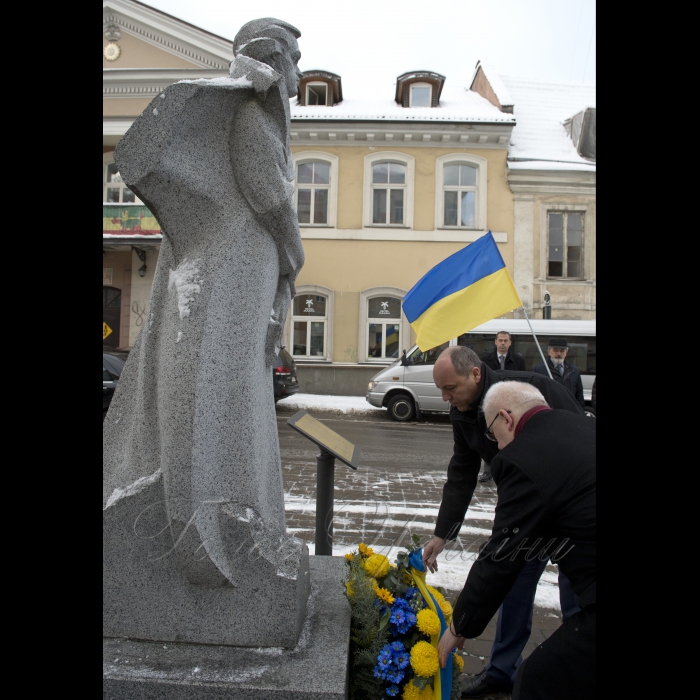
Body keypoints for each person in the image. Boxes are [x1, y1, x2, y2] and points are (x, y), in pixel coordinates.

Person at [424, 346, 584, 697]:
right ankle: (500, 671)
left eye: (450, 388)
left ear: (475, 374)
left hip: (571, 515)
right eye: (441, 390)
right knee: (511, 585)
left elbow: (580, 439)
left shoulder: (537, 389)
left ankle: (580, 662)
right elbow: (462, 472)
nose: (446, 398)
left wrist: (460, 623)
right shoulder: (462, 411)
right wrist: (443, 533)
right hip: (523, 511)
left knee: (579, 591)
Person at [533, 338, 585, 409]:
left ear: (566, 352)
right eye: (555, 350)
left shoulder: (573, 370)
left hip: (569, 412)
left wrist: (580, 413)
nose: (559, 353)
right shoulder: (539, 370)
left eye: (562, 351)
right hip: (548, 411)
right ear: (549, 352)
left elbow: (579, 395)